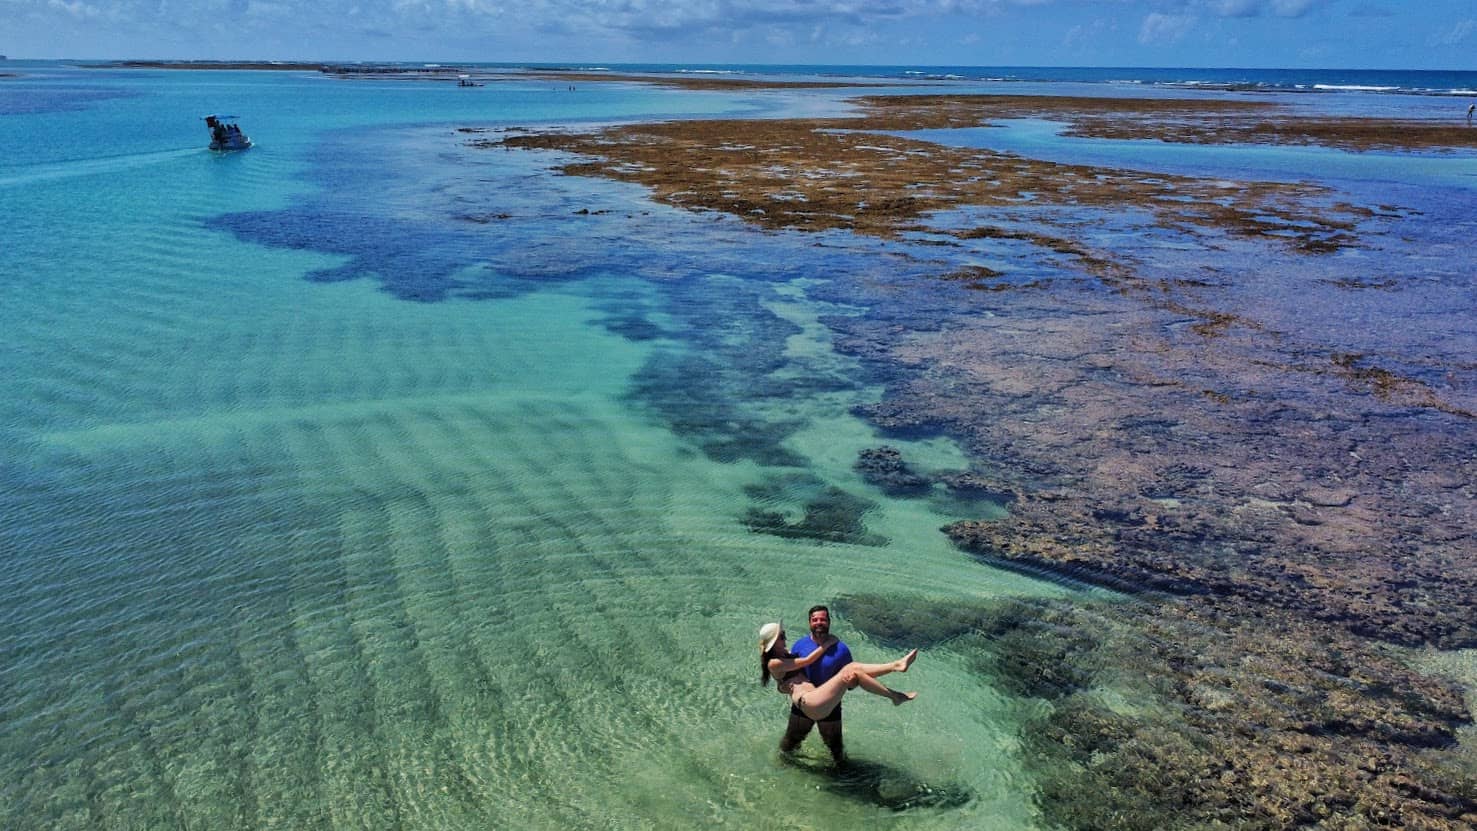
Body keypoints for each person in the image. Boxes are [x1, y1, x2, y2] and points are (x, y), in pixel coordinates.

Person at [761, 609, 917, 762]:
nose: (785, 638)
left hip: (825, 702)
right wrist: (827, 645)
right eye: (782, 636)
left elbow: (855, 681)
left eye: (823, 619)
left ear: (829, 622)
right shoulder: (787, 654)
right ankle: (895, 675)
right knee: (790, 743)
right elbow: (804, 664)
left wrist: (850, 682)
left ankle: (895, 685)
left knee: (836, 749)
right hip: (807, 703)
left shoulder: (840, 650)